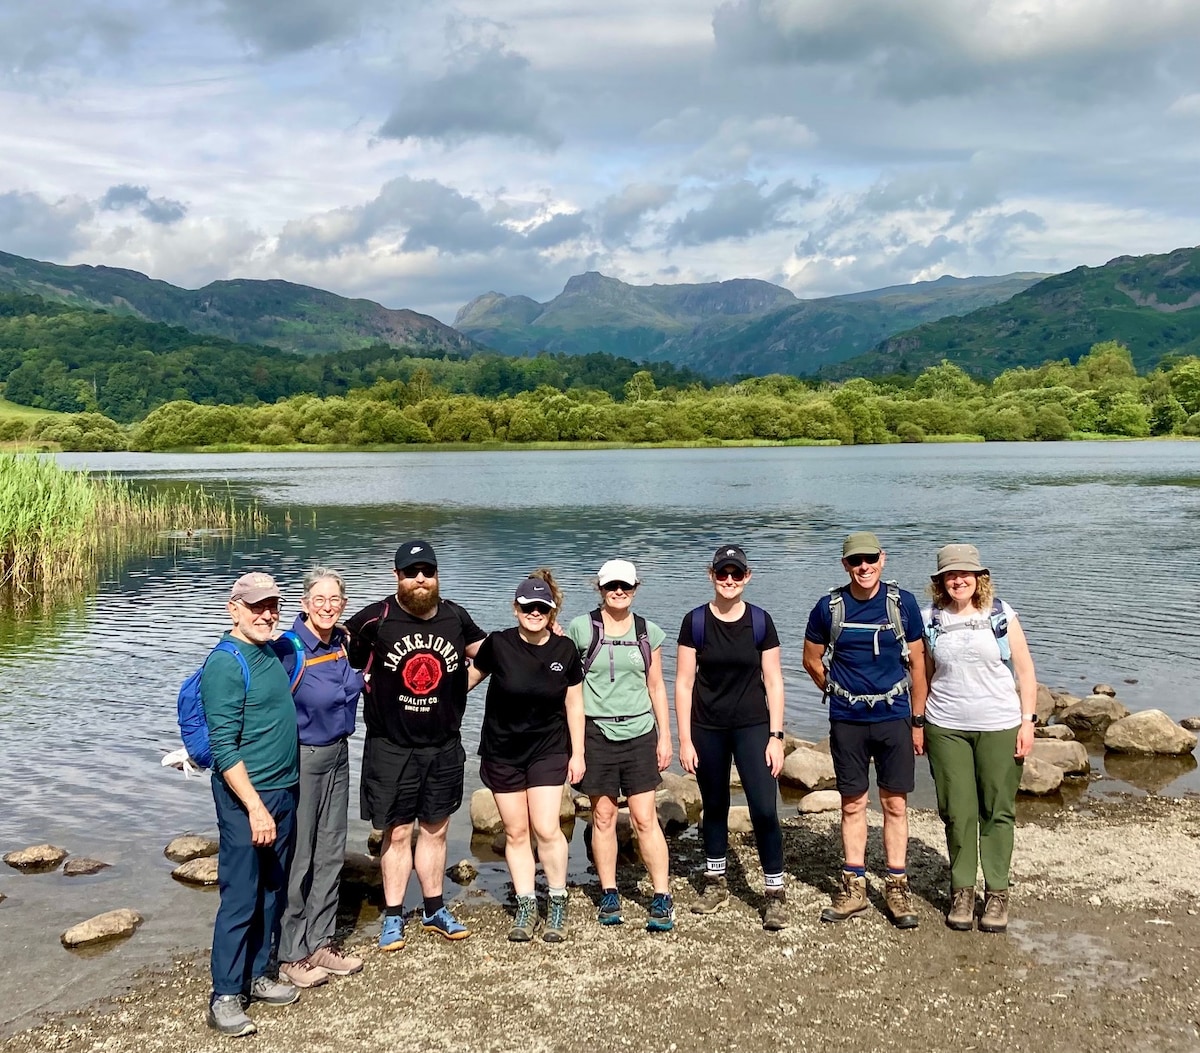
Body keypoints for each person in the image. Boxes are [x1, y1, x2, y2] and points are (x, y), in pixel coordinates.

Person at [345, 539, 486, 950]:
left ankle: (434, 909)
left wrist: (464, 685)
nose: (420, 579)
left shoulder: (455, 616)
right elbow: (337, 657)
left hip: (442, 745)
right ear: (397, 577)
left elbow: (491, 654)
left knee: (437, 830)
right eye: (411, 572)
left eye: (428, 571)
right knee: (397, 831)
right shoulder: (375, 619)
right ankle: (392, 916)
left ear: (437, 575)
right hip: (391, 746)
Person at [802, 532, 929, 929]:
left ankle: (896, 885)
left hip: (893, 718)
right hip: (847, 720)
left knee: (895, 804)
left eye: (870, 559)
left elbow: (919, 667)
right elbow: (810, 658)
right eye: (856, 561)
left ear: (882, 559)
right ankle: (854, 886)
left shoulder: (902, 603)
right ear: (845, 565)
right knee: (852, 803)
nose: (864, 567)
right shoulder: (828, 608)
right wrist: (838, 691)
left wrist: (918, 721)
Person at [918, 543, 1037, 934]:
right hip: (945, 725)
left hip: (1000, 724)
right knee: (957, 811)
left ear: (979, 578)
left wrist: (1027, 722)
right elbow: (925, 675)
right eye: (950, 575)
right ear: (940, 582)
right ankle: (963, 891)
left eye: (965, 573)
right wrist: (917, 723)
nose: (958, 580)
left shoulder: (1001, 615)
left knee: (997, 809)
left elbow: (1025, 672)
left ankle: (998, 893)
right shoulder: (929, 619)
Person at [201, 572, 301, 1038]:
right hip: (248, 800)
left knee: (271, 891)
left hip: (283, 791)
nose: (267, 614)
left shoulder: (268, 652)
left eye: (272, 606)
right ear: (233, 608)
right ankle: (224, 996)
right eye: (256, 606)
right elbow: (224, 749)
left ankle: (259, 976)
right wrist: (256, 807)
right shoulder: (225, 663)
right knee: (240, 895)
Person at [468, 571, 585, 943]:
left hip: (548, 749)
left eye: (541, 607)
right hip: (502, 750)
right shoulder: (498, 644)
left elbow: (575, 704)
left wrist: (578, 752)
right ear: (515, 608)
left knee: (547, 828)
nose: (534, 612)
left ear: (550, 611)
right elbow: (466, 680)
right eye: (527, 606)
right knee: (516, 832)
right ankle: (525, 904)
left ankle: (557, 901)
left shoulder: (565, 650)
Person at [675, 544, 788, 930]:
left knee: (764, 808)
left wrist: (777, 736)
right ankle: (716, 880)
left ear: (747, 577)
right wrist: (684, 739)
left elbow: (773, 680)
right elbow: (683, 682)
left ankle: (774, 891)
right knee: (715, 804)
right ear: (711, 576)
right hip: (707, 728)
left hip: (753, 727)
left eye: (735, 574)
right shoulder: (695, 622)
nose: (728, 580)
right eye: (722, 573)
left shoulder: (760, 621)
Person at [566, 559, 674, 932]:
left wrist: (666, 736)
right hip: (597, 734)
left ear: (635, 588)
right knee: (603, 816)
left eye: (625, 586)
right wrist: (575, 749)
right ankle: (609, 890)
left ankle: (661, 895)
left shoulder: (648, 632)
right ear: (600, 588)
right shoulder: (581, 629)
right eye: (612, 585)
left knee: (645, 818)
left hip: (640, 732)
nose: (618, 592)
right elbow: (567, 683)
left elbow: (657, 686)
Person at [277, 567, 365, 988]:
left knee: (331, 851)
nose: (327, 607)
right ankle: (291, 953)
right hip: (303, 758)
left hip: (340, 754)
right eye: (320, 600)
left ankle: (321, 942)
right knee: (300, 856)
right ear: (304, 603)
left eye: (335, 600)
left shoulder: (343, 643)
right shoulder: (289, 649)